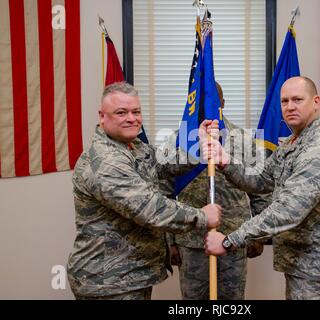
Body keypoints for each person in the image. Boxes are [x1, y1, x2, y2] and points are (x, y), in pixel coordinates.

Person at [203, 76, 320, 300]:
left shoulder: (319, 151)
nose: (290, 106)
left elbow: (287, 211)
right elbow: (262, 180)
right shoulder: (293, 142)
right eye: (285, 101)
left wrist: (229, 241)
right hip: (303, 266)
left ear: (316, 102)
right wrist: (225, 161)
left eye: (297, 99)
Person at [66, 82, 222, 300]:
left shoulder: (132, 146)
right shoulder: (105, 162)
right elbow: (150, 209)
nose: (131, 118)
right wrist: (202, 216)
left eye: (136, 111)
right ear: (102, 117)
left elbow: (163, 163)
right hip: (108, 282)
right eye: (121, 112)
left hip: (128, 274)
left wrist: (200, 149)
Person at [167, 82, 269, 300]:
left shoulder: (243, 139)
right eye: (203, 105)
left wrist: (258, 237)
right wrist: (169, 241)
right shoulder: (179, 140)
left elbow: (259, 189)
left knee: (232, 302)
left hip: (233, 237)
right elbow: (163, 191)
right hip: (190, 240)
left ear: (223, 104)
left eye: (214, 103)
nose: (209, 110)